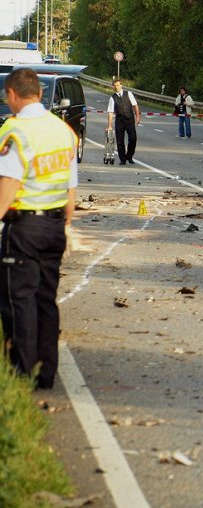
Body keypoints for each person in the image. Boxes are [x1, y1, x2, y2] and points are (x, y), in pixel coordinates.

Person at [0, 68, 78, 389]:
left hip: (24, 227)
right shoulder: (62, 131)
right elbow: (71, 187)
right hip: (54, 225)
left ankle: (22, 373)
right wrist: (66, 224)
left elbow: (9, 184)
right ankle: (46, 373)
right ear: (41, 94)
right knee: (46, 298)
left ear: (12, 95)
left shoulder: (15, 130)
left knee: (19, 300)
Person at [106, 79, 141, 165]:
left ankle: (129, 156)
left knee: (133, 138)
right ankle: (122, 159)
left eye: (118, 85)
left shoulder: (128, 94)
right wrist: (109, 125)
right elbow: (110, 112)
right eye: (115, 85)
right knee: (120, 141)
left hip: (129, 119)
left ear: (121, 85)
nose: (116, 87)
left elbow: (135, 105)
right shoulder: (112, 98)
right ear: (113, 87)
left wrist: (138, 117)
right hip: (119, 120)